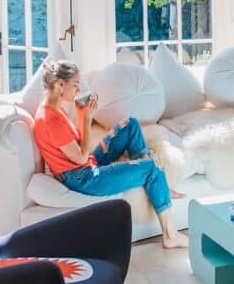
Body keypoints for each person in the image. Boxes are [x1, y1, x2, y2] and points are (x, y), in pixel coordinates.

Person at [32, 59, 188, 249]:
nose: (78, 89)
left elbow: (80, 149)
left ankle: (157, 183)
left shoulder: (52, 108)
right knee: (153, 166)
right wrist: (87, 118)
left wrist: (82, 116)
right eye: (75, 85)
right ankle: (170, 235)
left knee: (129, 125)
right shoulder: (52, 119)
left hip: (85, 166)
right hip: (83, 177)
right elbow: (80, 157)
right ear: (60, 85)